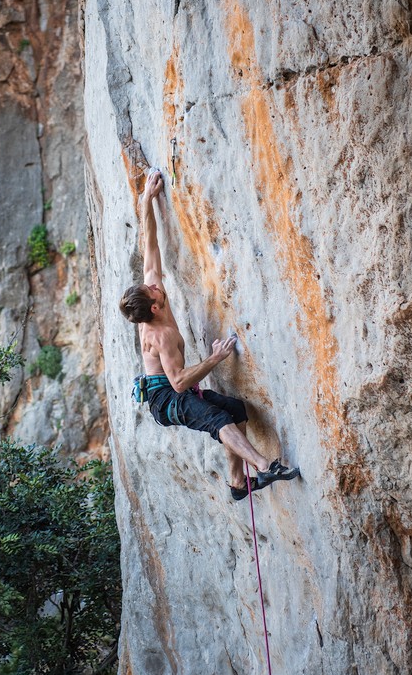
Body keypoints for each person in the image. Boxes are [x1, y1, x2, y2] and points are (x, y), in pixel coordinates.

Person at [120, 168, 300, 500]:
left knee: (235, 409)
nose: (154, 284)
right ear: (154, 308)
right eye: (152, 290)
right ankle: (263, 466)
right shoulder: (159, 335)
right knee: (216, 418)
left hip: (173, 389)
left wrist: (147, 199)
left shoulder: (155, 299)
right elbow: (178, 383)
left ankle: (237, 482)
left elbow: (149, 244)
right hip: (166, 400)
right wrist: (215, 358)